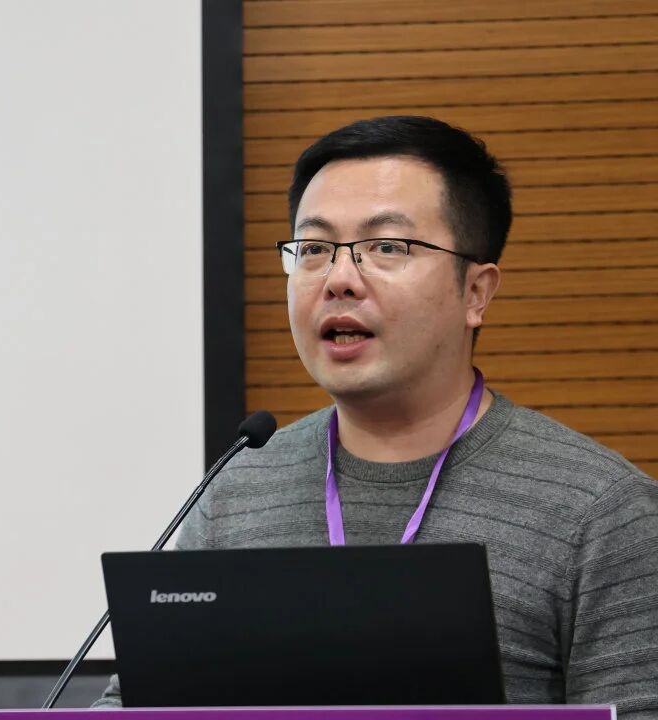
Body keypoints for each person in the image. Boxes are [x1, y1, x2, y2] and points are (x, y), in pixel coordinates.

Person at [94, 116, 658, 715]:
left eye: (387, 247)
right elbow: (138, 703)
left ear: (476, 292)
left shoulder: (601, 512)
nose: (339, 279)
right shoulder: (238, 490)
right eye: (314, 249)